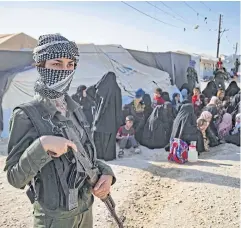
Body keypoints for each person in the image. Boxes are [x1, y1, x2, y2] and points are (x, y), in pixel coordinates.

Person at [4, 34, 116, 228]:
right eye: (57, 64)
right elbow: (15, 177)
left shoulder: (75, 110)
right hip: (54, 220)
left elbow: (85, 156)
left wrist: (107, 174)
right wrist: (42, 146)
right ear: (40, 66)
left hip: (85, 213)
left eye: (70, 64)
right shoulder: (26, 114)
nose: (65, 70)